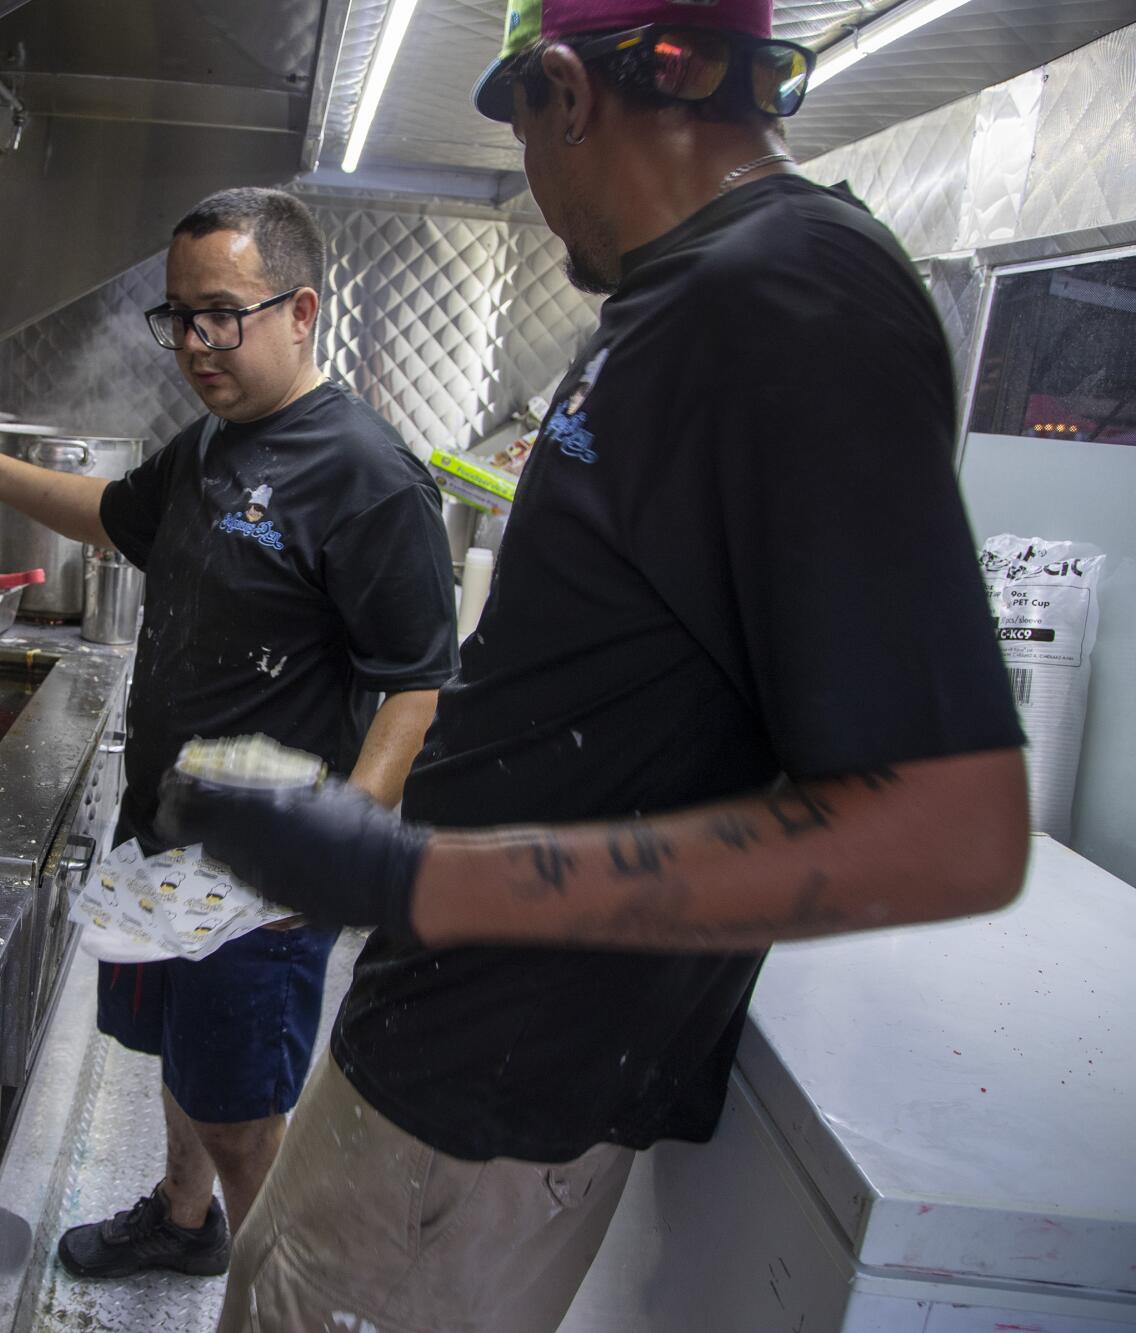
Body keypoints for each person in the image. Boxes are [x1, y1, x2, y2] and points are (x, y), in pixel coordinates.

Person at [159, 2, 1031, 1329]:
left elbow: (948, 827)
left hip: (504, 1080)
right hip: (443, 1035)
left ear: (566, 92)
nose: (533, 179)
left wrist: (427, 873)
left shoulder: (789, 300)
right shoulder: (689, 296)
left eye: (518, 126)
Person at [0, 187, 458, 1282]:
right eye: (176, 317)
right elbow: (116, 514)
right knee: (179, 1052)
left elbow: (416, 683)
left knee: (245, 1107)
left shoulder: (367, 477)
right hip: (167, 837)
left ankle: (277, 1294)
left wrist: (349, 833)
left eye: (221, 313)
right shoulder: (211, 443)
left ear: (300, 311)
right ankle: (182, 1216)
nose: (193, 344)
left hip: (268, 872)